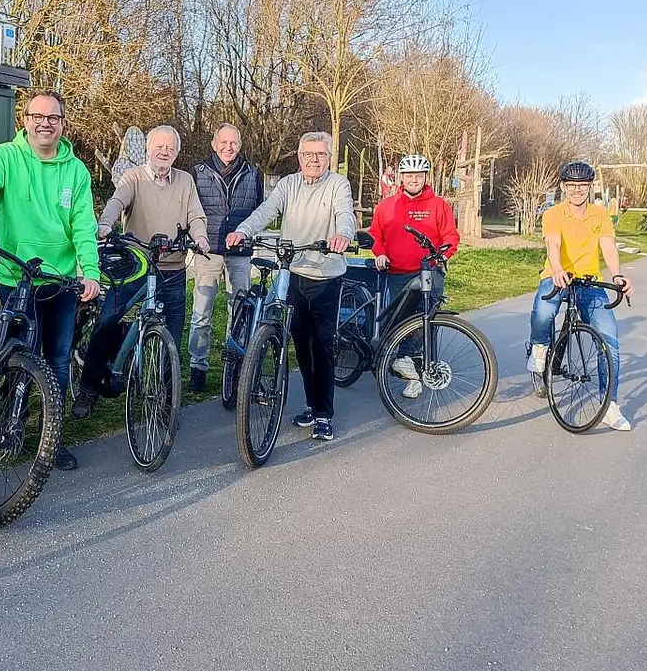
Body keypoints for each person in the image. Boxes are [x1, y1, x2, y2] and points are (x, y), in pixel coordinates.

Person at [0, 90, 102, 470]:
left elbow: (83, 226)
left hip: (61, 280)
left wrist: (90, 272)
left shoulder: (76, 171)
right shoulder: (5, 157)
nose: (45, 123)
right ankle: (6, 416)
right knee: (16, 352)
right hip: (16, 275)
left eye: (53, 117)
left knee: (56, 357)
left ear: (63, 124)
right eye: (37, 116)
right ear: (25, 119)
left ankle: (51, 438)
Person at [227, 131, 356, 441]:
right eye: (308, 154)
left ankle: (324, 414)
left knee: (321, 346)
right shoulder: (288, 185)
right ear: (299, 157)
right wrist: (242, 231)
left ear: (328, 157)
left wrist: (343, 236)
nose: (314, 159)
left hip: (326, 276)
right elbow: (265, 212)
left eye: (320, 155)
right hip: (294, 272)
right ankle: (312, 404)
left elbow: (345, 215)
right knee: (300, 344)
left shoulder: (338, 185)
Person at [72, 126, 208, 417]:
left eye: (170, 148)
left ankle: (167, 404)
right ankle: (88, 388)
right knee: (107, 321)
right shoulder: (133, 177)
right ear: (148, 149)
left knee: (171, 337)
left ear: (177, 152)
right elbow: (117, 201)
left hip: (172, 268)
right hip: (134, 266)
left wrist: (200, 237)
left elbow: (196, 215)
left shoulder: (185, 181)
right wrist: (105, 224)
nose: (164, 152)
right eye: (159, 146)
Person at [526, 160, 634, 431]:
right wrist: (559, 268)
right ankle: (539, 347)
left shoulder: (600, 215)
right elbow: (553, 242)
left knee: (609, 342)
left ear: (590, 187)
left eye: (582, 186)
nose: (576, 190)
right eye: (571, 185)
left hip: (589, 281)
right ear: (563, 186)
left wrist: (617, 274)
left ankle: (609, 405)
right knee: (544, 311)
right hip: (558, 275)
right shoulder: (553, 214)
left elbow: (607, 245)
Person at [368, 154, 460, 398]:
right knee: (399, 321)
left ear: (425, 177)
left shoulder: (439, 205)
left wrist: (443, 255)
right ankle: (406, 367)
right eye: (409, 175)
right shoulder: (386, 206)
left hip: (429, 270)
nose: (414, 180)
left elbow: (451, 236)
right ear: (402, 177)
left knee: (427, 321)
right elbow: (376, 235)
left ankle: (416, 370)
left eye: (418, 175)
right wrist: (379, 253)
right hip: (397, 272)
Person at [188, 123, 262, 393]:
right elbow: (191, 210)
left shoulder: (253, 173)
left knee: (239, 311)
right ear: (213, 143)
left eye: (233, 143)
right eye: (223, 142)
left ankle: (235, 365)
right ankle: (198, 366)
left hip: (239, 254)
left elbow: (258, 212)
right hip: (207, 252)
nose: (228, 147)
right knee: (201, 313)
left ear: (240, 145)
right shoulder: (198, 172)